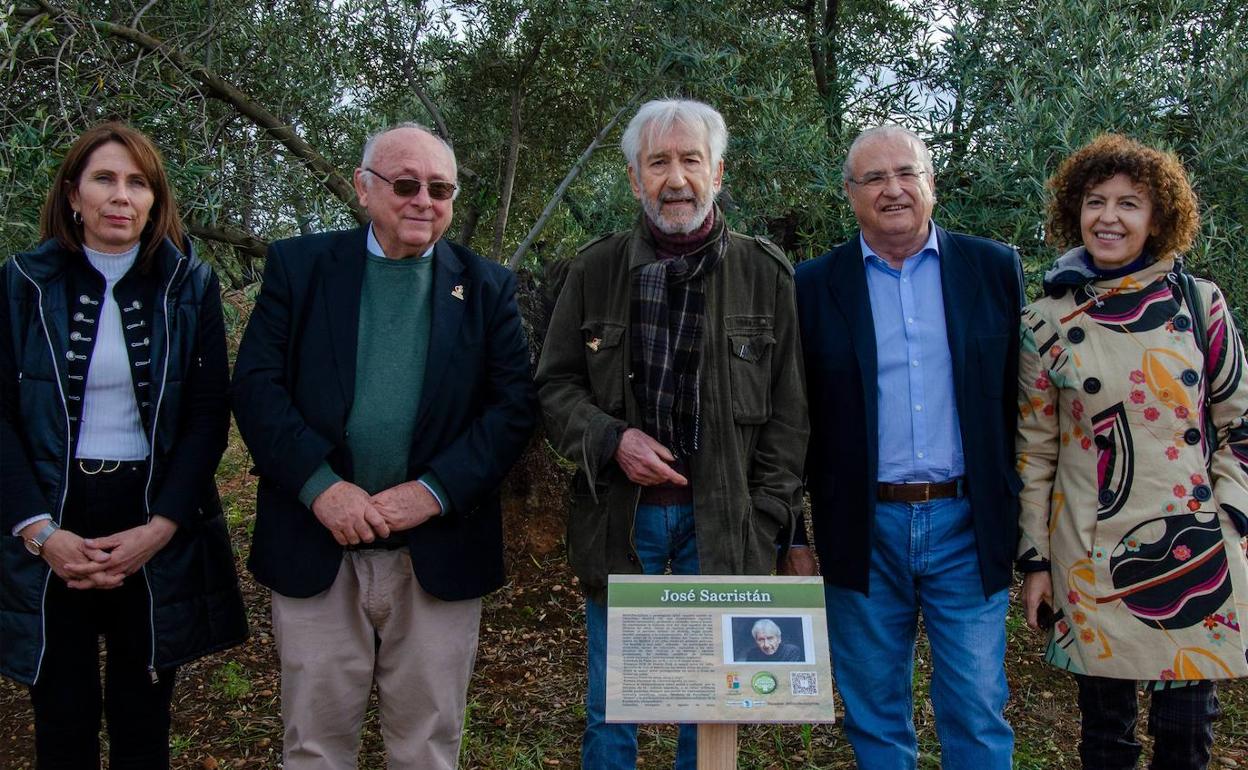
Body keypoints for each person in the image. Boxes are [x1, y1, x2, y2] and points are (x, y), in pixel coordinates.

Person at [231, 122, 536, 769]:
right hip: (317, 546)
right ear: (363, 188)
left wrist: (433, 492)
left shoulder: (487, 288)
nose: (423, 199)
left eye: (440, 187)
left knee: (426, 747)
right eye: (405, 184)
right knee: (314, 746)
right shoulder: (301, 268)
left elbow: (512, 411)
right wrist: (322, 489)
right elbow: (257, 388)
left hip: (436, 554)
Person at [536, 98, 809, 770]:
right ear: (635, 179)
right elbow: (553, 387)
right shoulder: (591, 271)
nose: (676, 178)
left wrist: (768, 516)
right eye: (658, 162)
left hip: (724, 521)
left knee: (713, 704)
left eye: (692, 160)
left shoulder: (765, 274)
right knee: (611, 705)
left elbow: (790, 413)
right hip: (620, 522)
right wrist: (610, 441)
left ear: (718, 174)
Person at [0, 122, 248, 767]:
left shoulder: (188, 284)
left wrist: (162, 525)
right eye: (104, 179)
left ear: (155, 199)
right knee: (61, 710)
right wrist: (39, 532)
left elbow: (205, 414)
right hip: (52, 515)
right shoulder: (22, 284)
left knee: (144, 712)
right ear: (72, 194)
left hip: (149, 514)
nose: (122, 196)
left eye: (138, 182)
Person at [1016, 134, 1248, 770]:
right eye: (1096, 201)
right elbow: (1034, 458)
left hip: (1192, 550)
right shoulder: (1045, 320)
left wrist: (1231, 517)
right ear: (1075, 211)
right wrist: (1036, 560)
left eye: (1129, 203)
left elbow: (1241, 424)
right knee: (1106, 738)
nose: (1109, 218)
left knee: (1186, 736)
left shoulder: (1201, 304)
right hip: (1091, 559)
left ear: (1158, 218)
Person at [795, 125, 1023, 768]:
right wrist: (794, 532)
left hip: (966, 522)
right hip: (860, 524)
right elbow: (794, 416)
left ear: (932, 184)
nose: (892, 190)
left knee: (976, 711)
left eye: (906, 174)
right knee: (874, 717)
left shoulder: (993, 268)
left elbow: (1021, 401)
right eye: (873, 178)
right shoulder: (813, 285)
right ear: (849, 195)